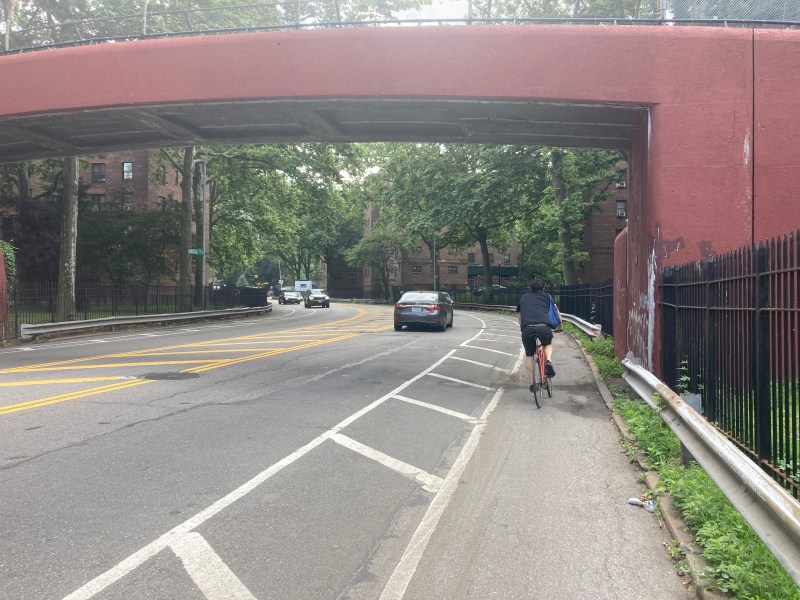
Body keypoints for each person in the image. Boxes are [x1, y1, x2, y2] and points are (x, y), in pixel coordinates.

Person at [516, 279, 562, 393]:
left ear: (530, 288)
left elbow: (520, 316)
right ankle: (548, 362)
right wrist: (560, 327)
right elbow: (556, 313)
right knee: (547, 344)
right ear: (544, 288)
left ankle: (533, 384)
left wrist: (523, 329)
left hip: (527, 329)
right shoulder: (547, 297)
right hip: (543, 327)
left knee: (529, 355)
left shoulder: (524, 297)